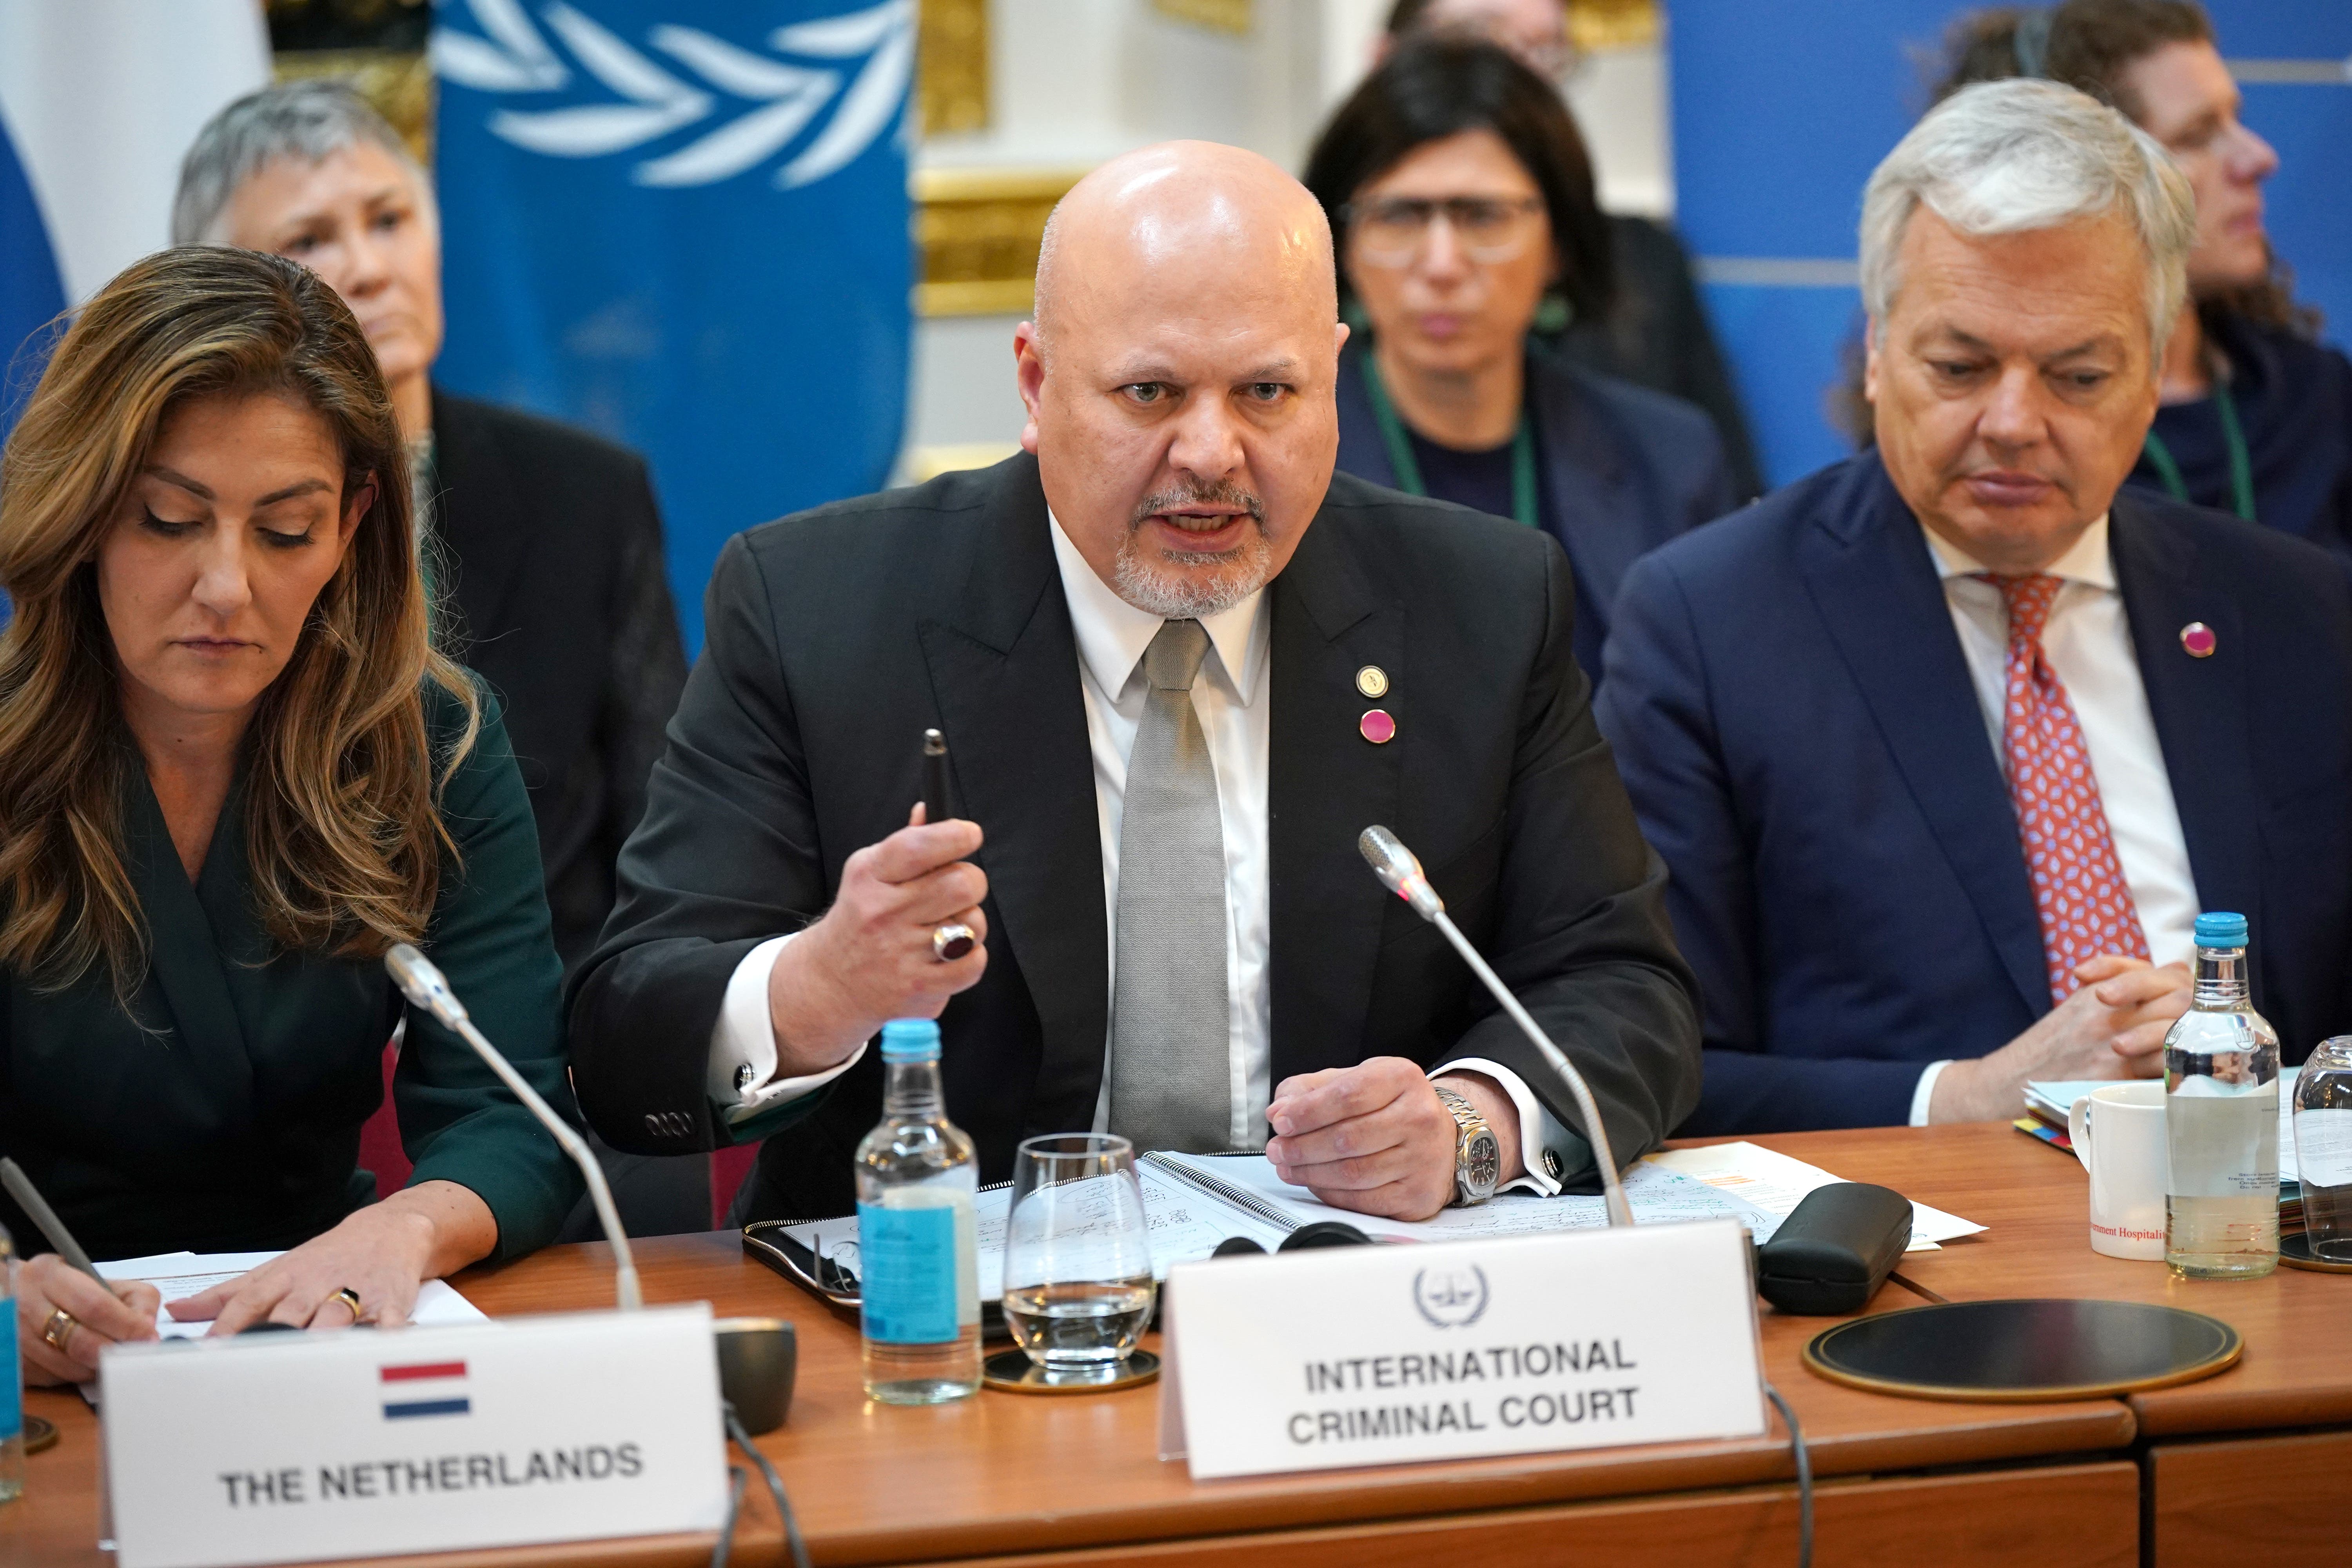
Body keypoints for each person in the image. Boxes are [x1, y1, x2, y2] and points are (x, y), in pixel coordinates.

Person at [567, 141, 1701, 1224]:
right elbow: (625, 1042)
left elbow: (1622, 989)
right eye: (1152, 394)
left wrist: (1467, 1125)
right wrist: (822, 984)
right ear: (1034, 383)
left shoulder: (1484, 602)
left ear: (1333, 383)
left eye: (1267, 393)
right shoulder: (815, 605)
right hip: (949, 1319)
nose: (1212, 453)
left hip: (1342, 1304)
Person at [1595, 80, 2352, 1135]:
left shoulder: (2298, 615)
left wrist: (2260, 1068)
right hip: (1920, 1256)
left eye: (2078, 376)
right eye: (1958, 366)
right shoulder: (1712, 625)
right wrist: (1967, 1097)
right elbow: (1647, 1062)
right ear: (1874, 354)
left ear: (2153, 378)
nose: (2012, 422)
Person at [0, 247, 583, 1383]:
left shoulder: (431, 745)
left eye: (284, 531)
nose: (228, 586)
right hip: (42, 1382)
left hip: (314, 1342)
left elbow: (514, 1118)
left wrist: (403, 1232)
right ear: (83, 514)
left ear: (355, 521)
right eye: (169, 520)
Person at [174, 83, 701, 1236]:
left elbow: (661, 849)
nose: (364, 267)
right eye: (308, 239)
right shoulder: (177, 562)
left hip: (541, 1070)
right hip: (264, 1082)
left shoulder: (583, 495)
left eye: (388, 219)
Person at [1306, 38, 1734, 683]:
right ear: (1340, 244)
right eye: (1399, 215)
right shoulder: (1276, 460)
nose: (1442, 264)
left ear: (1559, 243)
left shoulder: (1670, 462)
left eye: (1483, 216)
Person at [1927, 1, 2352, 558]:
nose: (2259, 158)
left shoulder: (2314, 394)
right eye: (2198, 135)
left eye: (2235, 120)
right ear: (2071, 182)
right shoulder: (2003, 450)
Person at [1381, 0, 1764, 501]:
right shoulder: (1303, 260)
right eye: (1482, 35)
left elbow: (1729, 502)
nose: (1520, 71)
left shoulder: (1642, 264)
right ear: (1384, 57)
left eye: (1544, 47)